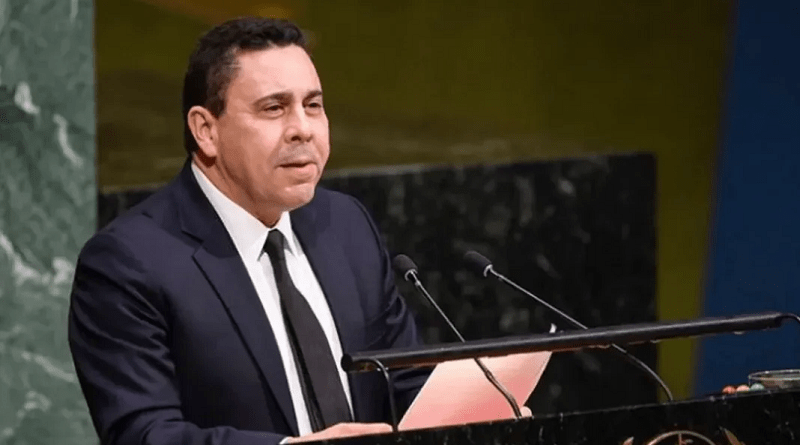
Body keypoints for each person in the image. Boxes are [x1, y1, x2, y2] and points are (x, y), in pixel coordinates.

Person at [68, 17, 429, 445]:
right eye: (274, 108)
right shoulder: (128, 263)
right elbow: (144, 434)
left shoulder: (345, 224)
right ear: (206, 130)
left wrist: (477, 404)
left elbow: (405, 385)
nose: (303, 128)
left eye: (313, 105)